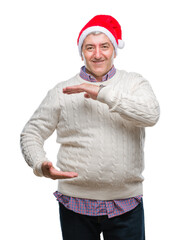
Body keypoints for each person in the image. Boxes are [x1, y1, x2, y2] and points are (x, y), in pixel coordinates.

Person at [20, 15, 160, 240]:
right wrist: (39, 164)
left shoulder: (135, 83)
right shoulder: (61, 91)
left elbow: (151, 115)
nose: (97, 54)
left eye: (104, 46)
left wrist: (102, 93)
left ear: (114, 50)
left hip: (126, 205)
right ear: (81, 52)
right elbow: (31, 132)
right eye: (90, 47)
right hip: (75, 204)